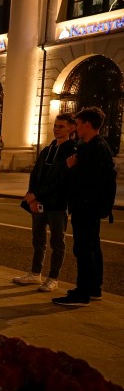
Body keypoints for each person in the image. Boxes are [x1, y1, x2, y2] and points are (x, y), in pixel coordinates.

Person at [53, 107, 115, 306]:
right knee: (93, 247)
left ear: (88, 125)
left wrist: (71, 169)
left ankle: (83, 293)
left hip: (85, 207)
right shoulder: (99, 145)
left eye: (78, 125)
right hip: (91, 207)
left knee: (84, 249)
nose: (76, 129)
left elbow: (86, 181)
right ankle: (94, 288)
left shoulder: (93, 149)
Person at [13, 114, 76, 293]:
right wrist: (31, 195)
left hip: (57, 204)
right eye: (55, 126)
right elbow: (36, 173)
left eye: (61, 126)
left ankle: (53, 277)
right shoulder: (47, 149)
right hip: (39, 202)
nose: (57, 129)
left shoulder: (72, 150)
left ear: (71, 128)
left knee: (57, 241)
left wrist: (36, 195)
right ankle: (35, 273)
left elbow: (59, 179)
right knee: (38, 239)